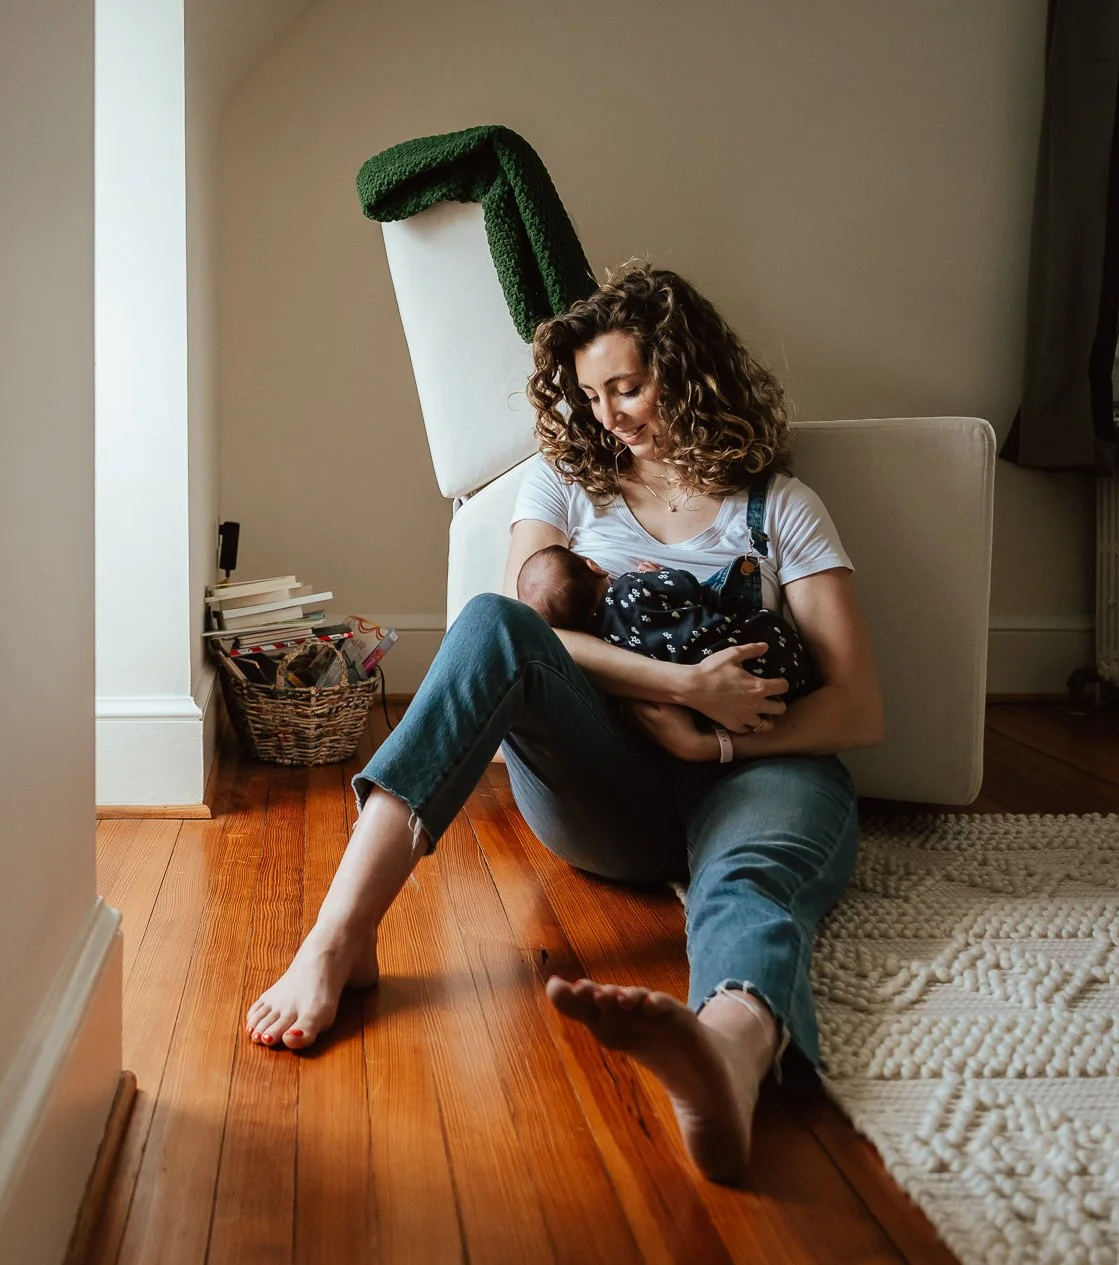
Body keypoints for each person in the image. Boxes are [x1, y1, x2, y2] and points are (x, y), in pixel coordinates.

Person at [244, 262, 884, 1180]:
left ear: (690, 371)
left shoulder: (779, 506)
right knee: (488, 622)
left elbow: (859, 705)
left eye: (628, 386)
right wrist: (681, 684)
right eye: (592, 395)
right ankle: (340, 937)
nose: (610, 414)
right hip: (609, 789)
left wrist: (721, 735)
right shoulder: (566, 487)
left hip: (759, 768)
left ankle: (729, 1055)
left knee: (748, 881)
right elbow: (517, 634)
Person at [514, 545, 821, 711]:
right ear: (594, 566)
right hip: (755, 647)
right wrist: (659, 574)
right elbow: (686, 587)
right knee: (760, 623)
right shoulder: (631, 586)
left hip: (714, 702)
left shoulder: (606, 643)